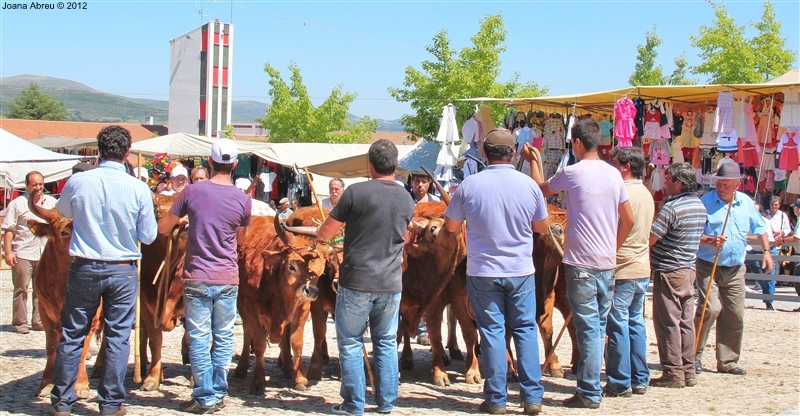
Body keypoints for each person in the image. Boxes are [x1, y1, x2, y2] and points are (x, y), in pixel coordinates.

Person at [522, 118, 634, 409]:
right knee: (597, 326)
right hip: (606, 263)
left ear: (577, 143)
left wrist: (534, 159)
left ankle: (589, 391)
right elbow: (629, 219)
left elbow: (539, 191)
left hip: (581, 263)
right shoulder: (614, 175)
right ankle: (591, 387)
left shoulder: (572, 172)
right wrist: (614, 247)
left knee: (589, 329)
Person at [48, 125, 158, 416]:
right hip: (122, 269)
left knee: (72, 334)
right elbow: (148, 236)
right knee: (117, 336)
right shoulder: (138, 189)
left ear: (99, 150)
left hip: (84, 265)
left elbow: (63, 213)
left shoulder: (79, 181)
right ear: (127, 152)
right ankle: (110, 403)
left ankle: (62, 401)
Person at [444, 129, 548, 415]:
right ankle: (532, 398)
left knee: (491, 332)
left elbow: (451, 228)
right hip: (521, 270)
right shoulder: (529, 186)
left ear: (484, 154)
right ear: (513, 153)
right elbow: (542, 228)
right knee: (526, 329)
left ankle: (496, 399)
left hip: (483, 271)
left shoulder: (469, 185)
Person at [316, 139, 414, 416]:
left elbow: (325, 233)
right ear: (395, 165)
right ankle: (386, 404)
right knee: (385, 342)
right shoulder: (407, 198)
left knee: (350, 342)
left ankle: (353, 405)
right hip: (391, 283)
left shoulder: (355, 193)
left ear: (369, 165)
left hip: (357, 280)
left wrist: (328, 235)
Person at [158, 138, 251, 414]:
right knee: (223, 336)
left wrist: (186, 221)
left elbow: (164, 228)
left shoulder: (192, 193)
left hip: (197, 274)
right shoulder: (243, 200)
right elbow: (241, 241)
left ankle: (204, 397)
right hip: (227, 277)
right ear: (234, 165)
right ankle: (219, 392)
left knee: (198, 337)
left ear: (209, 162)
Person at [694, 162, 772, 376]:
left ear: (737, 184)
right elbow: (693, 233)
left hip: (736, 267)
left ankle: (728, 361)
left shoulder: (746, 203)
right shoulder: (705, 202)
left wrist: (766, 251)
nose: (721, 187)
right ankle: (693, 356)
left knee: (735, 314)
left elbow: (760, 227)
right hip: (708, 265)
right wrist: (709, 240)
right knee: (709, 309)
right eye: (719, 183)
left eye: (726, 184)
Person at [648, 162, 707, 388]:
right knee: (685, 322)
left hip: (669, 269)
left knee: (668, 323)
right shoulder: (699, 206)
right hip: (688, 268)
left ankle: (673, 372)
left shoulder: (672, 208)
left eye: (668, 179)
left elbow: (652, 239)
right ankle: (688, 369)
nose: (665, 182)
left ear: (679, 183)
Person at [604, 147, 654, 397]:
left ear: (626, 166)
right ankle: (640, 377)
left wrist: (609, 251)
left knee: (618, 324)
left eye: (614, 163)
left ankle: (620, 380)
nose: (611, 166)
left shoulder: (623, 192)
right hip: (641, 267)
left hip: (623, 266)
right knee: (635, 323)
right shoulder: (646, 192)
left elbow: (621, 224)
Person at [2, 171, 56, 334]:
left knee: (42, 290)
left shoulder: (52, 202)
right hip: (23, 252)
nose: (38, 187)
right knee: (21, 289)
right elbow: (9, 230)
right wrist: (8, 252)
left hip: (45, 255)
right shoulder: (17, 204)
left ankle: (39, 321)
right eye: (35, 184)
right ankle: (20, 322)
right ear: (27, 186)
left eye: (41, 184)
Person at [762, 195, 790, 310]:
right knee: (764, 274)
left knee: (771, 273)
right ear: (769, 205)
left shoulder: (783, 215)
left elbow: (788, 229)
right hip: (764, 246)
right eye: (772, 205)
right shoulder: (764, 215)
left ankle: (769, 300)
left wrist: (781, 232)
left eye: (776, 205)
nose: (774, 207)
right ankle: (768, 297)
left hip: (776, 246)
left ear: (779, 205)